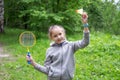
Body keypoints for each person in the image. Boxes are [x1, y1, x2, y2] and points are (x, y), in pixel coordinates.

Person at [26, 12, 90, 80]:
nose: (59, 37)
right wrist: (33, 63)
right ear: (51, 38)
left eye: (60, 34)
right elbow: (47, 70)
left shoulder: (71, 46)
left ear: (64, 33)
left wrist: (85, 25)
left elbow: (85, 42)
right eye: (55, 36)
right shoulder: (49, 50)